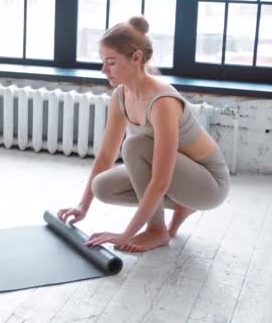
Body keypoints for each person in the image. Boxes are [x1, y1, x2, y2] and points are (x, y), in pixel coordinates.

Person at [57, 16, 230, 253]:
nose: (103, 69)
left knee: (134, 146)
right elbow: (106, 155)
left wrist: (125, 234)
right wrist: (82, 207)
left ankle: (157, 230)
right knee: (102, 186)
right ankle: (182, 205)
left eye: (111, 62)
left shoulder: (163, 103)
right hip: (177, 177)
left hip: (209, 185)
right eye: (102, 61)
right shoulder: (121, 96)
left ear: (136, 58)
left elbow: (160, 180)